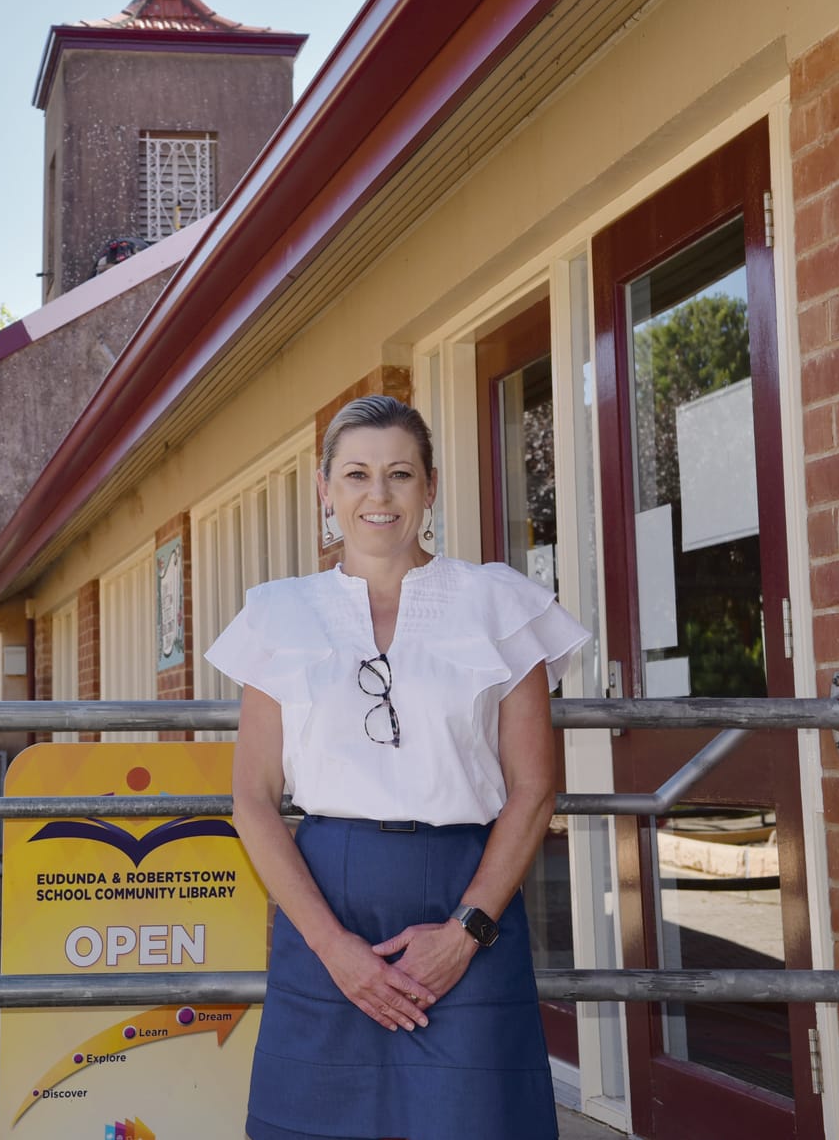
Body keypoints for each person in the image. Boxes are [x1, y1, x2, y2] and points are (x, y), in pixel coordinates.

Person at [206, 395, 587, 1140]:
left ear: (431, 487)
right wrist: (332, 947)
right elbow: (252, 798)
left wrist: (466, 929)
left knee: (477, 1124)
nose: (377, 496)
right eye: (355, 474)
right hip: (327, 914)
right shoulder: (278, 613)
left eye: (399, 474)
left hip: (466, 903)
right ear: (325, 490)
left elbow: (535, 788)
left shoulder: (499, 603)